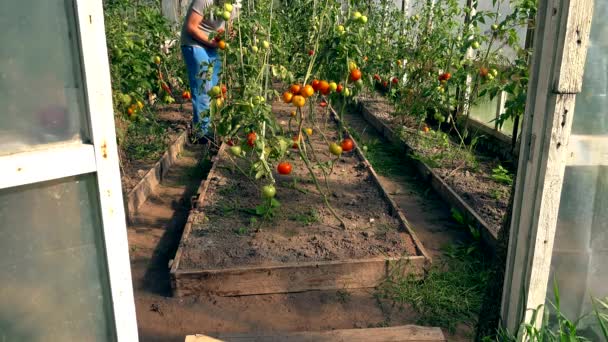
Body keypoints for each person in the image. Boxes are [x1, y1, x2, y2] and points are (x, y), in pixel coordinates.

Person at [180, 0, 232, 142]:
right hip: (195, 44)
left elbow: (226, 28)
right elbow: (191, 26)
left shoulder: (230, 5)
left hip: (213, 47)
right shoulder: (205, 1)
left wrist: (228, 35)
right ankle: (201, 133)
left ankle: (207, 126)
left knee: (213, 89)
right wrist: (212, 42)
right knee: (203, 87)